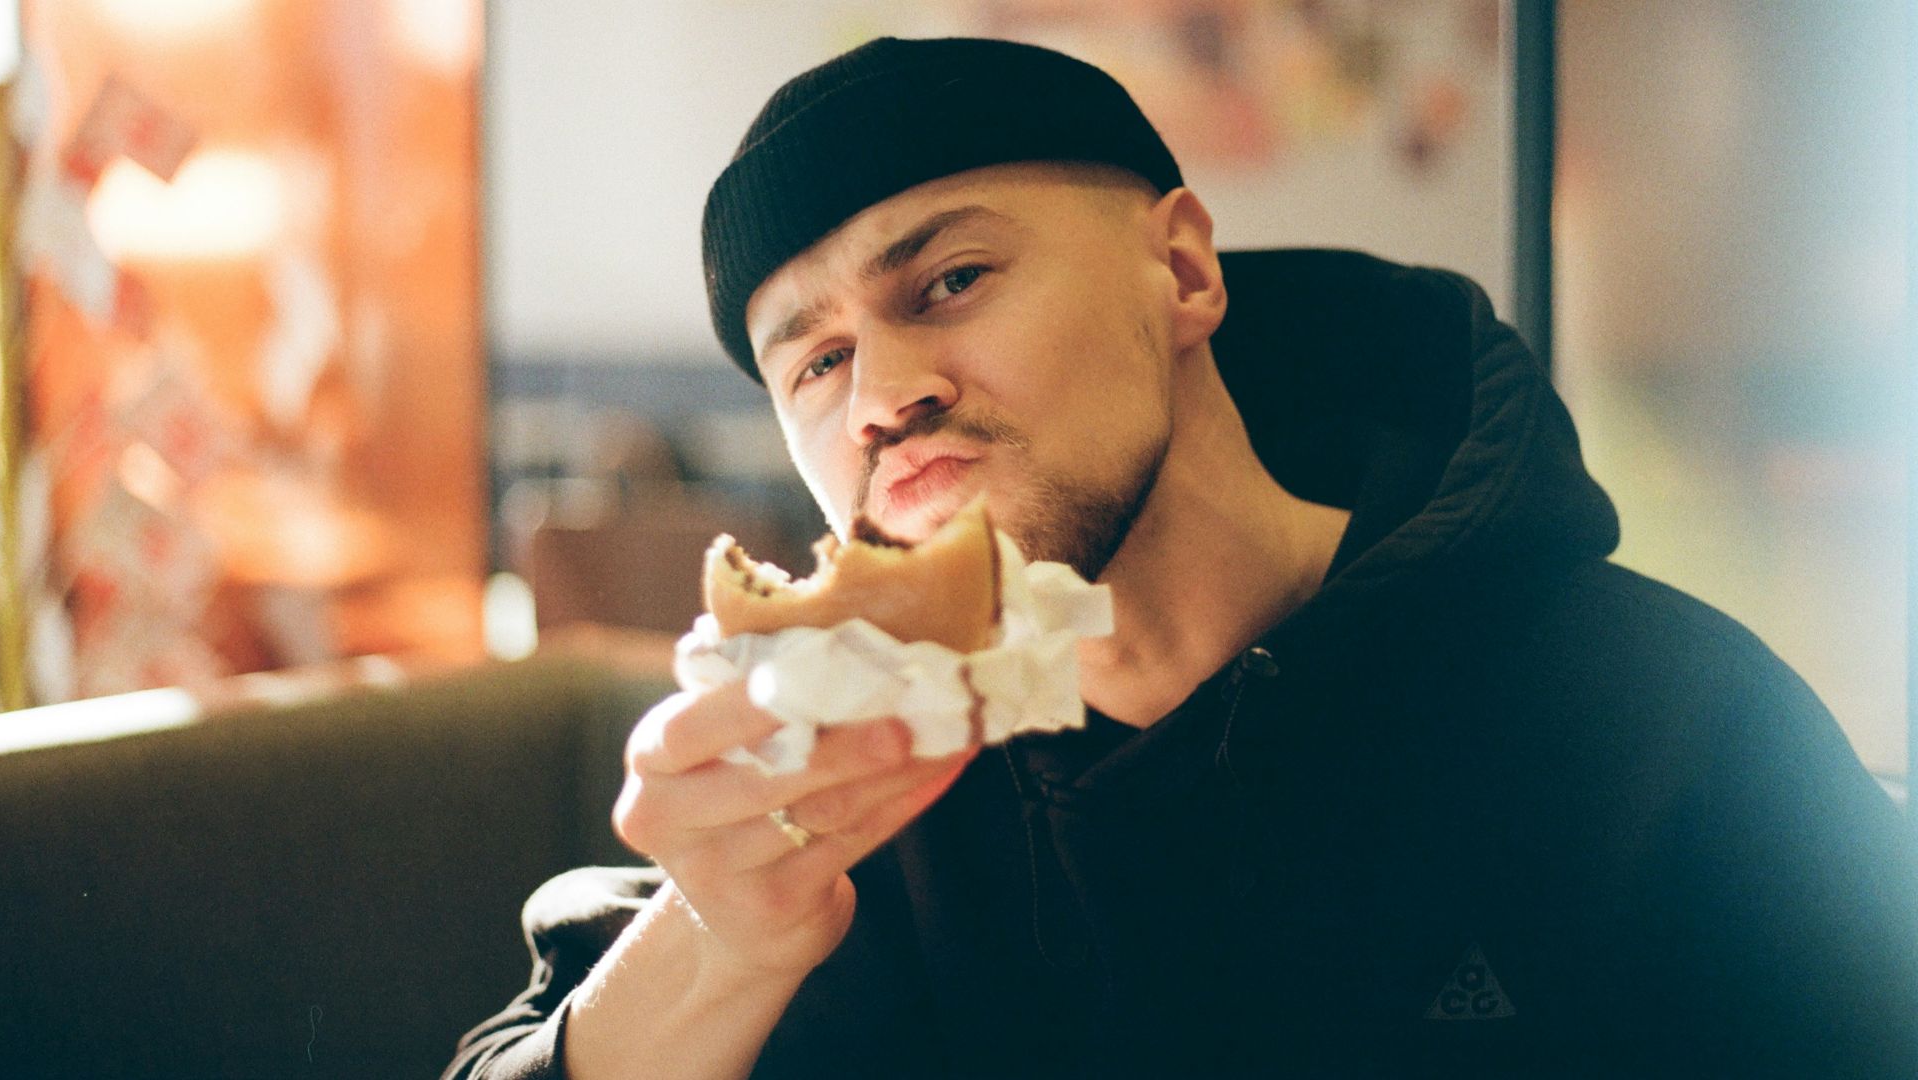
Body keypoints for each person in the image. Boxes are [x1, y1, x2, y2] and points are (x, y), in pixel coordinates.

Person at [444, 36, 1918, 1080]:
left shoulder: (1660, 724)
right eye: (817, 362)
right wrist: (720, 942)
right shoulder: (847, 797)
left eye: (951, 279)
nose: (885, 391)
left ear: (1185, 269)